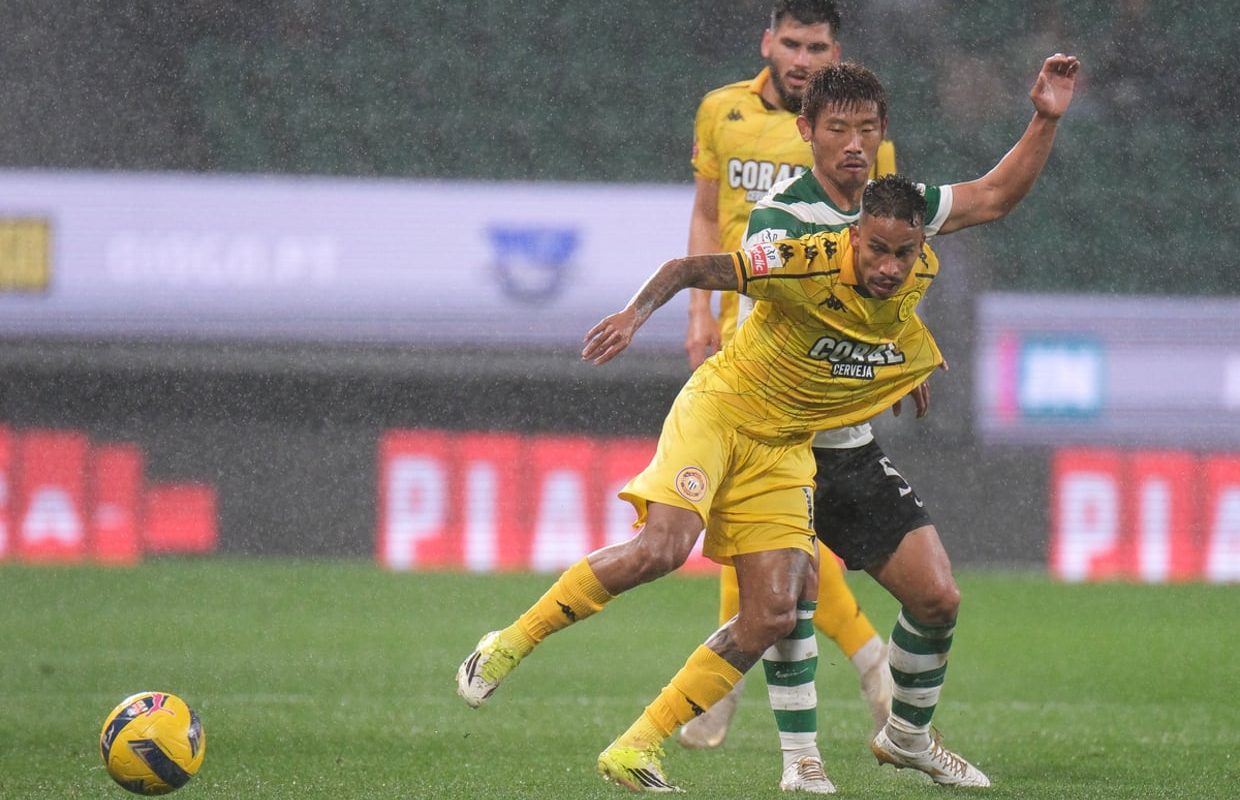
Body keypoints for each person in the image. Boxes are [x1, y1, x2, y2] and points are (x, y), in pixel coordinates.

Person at [456, 52, 1079, 794]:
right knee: (663, 550)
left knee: (778, 611)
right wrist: (634, 316)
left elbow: (994, 196)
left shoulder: (899, 211)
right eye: (838, 129)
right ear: (807, 131)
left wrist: (1043, 118)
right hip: (729, 411)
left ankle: (644, 745)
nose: (855, 144)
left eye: (868, 129)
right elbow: (715, 273)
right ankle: (509, 644)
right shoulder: (787, 229)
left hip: (796, 439)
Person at [680, 4, 897, 784]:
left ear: (836, 53)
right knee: (761, 520)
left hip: (815, 357)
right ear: (767, 42)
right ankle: (867, 666)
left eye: (819, 47)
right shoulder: (722, 111)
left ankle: (731, 682)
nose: (804, 57)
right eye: (793, 43)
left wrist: (880, 349)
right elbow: (708, 215)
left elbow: (889, 250)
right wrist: (699, 312)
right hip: (741, 341)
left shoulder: (856, 137)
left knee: (769, 522)